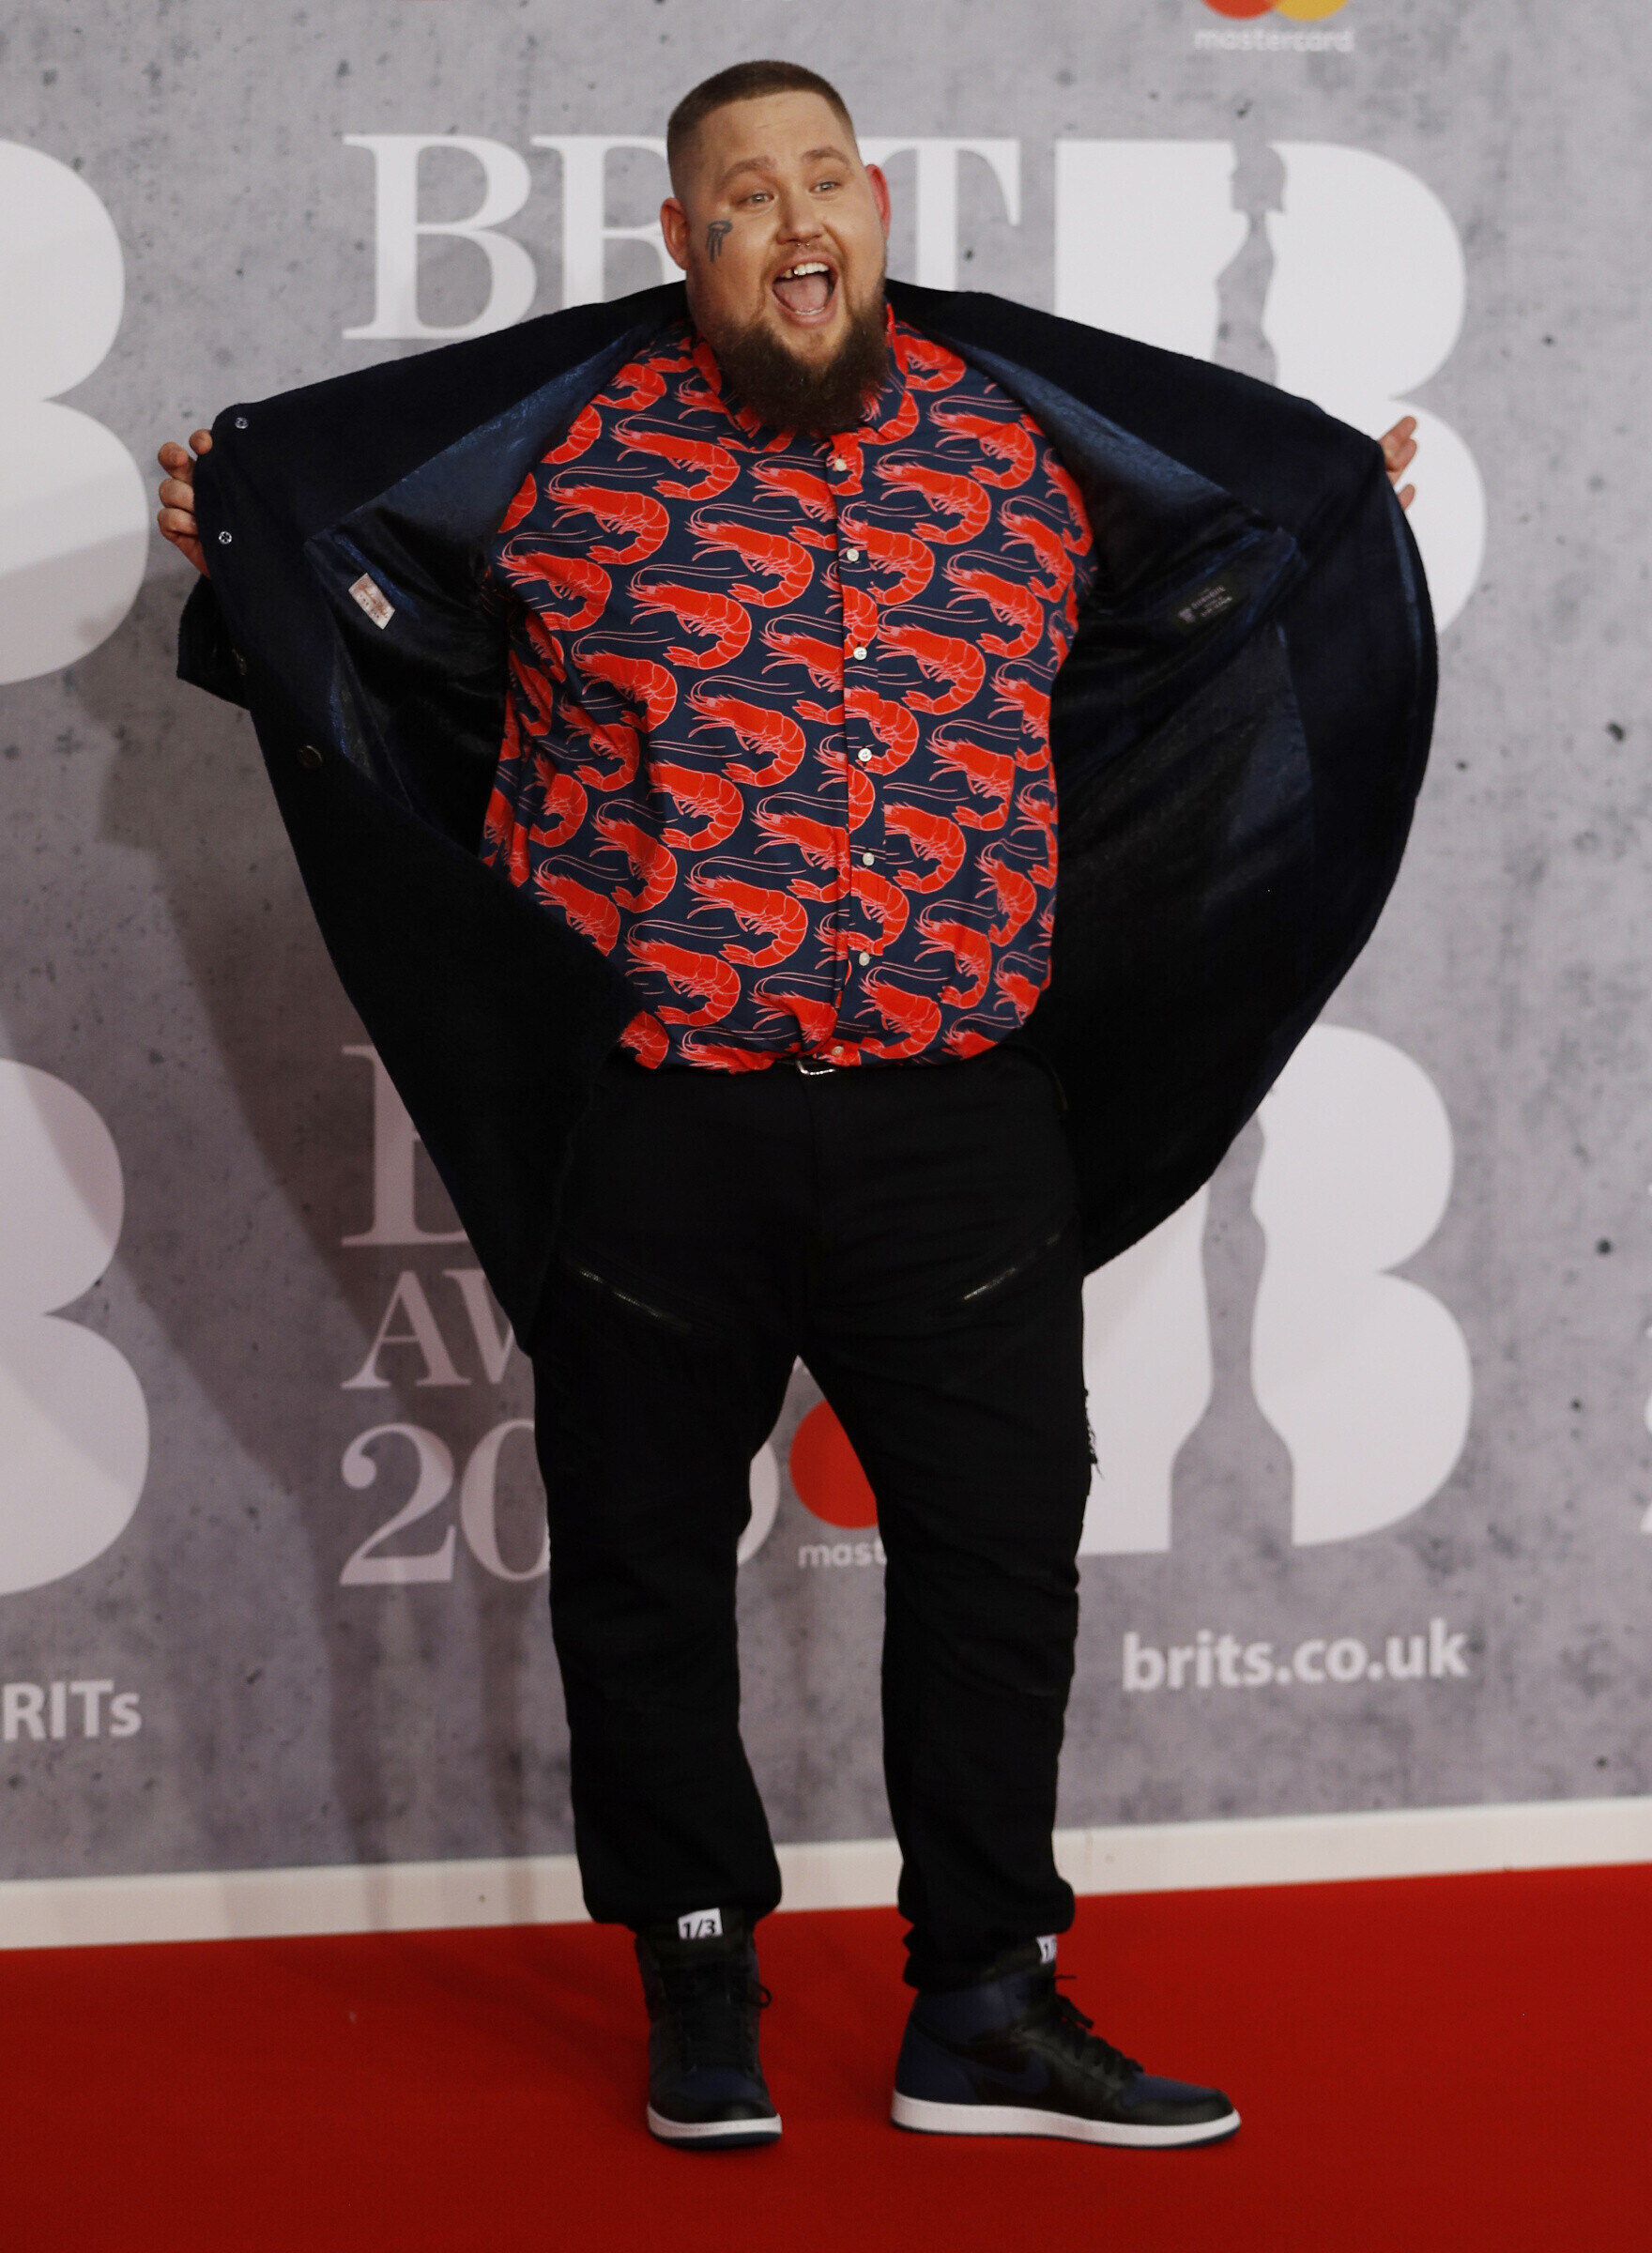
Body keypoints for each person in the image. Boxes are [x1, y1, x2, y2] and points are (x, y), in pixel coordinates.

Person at [157, 59, 1429, 2153]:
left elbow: (1204, 597)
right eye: (744, 194)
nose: (794, 214)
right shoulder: (564, 457)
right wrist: (252, 535)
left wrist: (1319, 515)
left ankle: (984, 2000)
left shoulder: (1026, 446)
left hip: (957, 1125)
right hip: (659, 1128)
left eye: (824, 175)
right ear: (686, 243)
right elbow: (369, 628)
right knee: (641, 1569)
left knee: (1000, 1566)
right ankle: (695, 1979)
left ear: (879, 203)